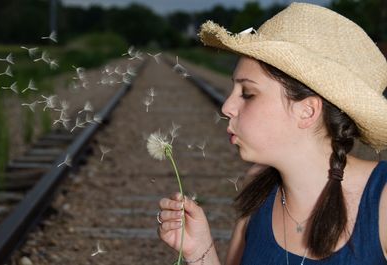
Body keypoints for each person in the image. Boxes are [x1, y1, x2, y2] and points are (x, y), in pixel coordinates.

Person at [156, 2, 387, 264]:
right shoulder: (260, 189)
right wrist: (199, 251)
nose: (227, 107)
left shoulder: (382, 200)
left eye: (248, 94)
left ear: (307, 112)